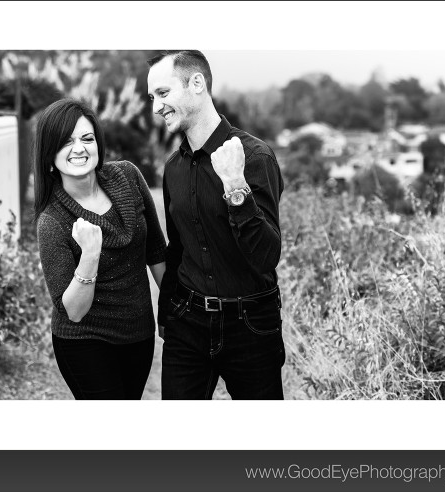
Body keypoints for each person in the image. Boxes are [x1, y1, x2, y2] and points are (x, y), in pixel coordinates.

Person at [147, 51, 286, 400]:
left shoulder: (254, 157)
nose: (155, 107)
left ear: (197, 84)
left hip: (251, 325)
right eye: (152, 98)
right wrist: (169, 316)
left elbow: (267, 256)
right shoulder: (173, 169)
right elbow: (177, 250)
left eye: (162, 93)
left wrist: (235, 187)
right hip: (187, 324)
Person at [34, 98, 167, 400]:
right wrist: (90, 256)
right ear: (48, 154)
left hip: (138, 334)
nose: (79, 148)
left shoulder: (129, 176)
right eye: (66, 142)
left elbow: (157, 252)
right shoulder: (53, 222)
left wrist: (172, 313)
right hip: (85, 341)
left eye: (87, 138)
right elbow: (75, 311)